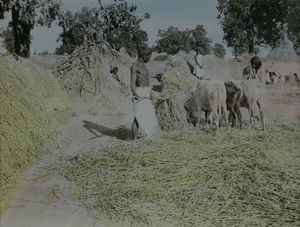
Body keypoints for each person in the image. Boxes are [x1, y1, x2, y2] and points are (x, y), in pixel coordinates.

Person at [130, 43, 161, 139]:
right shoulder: (135, 66)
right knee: (137, 118)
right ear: (144, 56)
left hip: (146, 92)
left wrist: (150, 92)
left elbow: (147, 81)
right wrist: (135, 94)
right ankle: (133, 140)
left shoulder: (145, 67)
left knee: (148, 116)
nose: (150, 59)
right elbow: (132, 83)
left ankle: (148, 136)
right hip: (139, 92)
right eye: (149, 57)